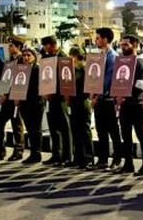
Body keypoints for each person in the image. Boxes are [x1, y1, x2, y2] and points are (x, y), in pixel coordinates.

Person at [115, 35, 143, 176]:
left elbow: (141, 85)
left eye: (126, 45)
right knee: (126, 135)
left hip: (137, 104)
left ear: (135, 45)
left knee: (140, 134)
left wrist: (125, 95)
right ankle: (128, 164)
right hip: (125, 105)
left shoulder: (140, 62)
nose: (123, 47)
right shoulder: (122, 62)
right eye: (121, 45)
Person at [0, 36, 26, 161]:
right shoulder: (9, 61)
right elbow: (6, 78)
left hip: (15, 96)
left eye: (12, 46)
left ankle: (18, 151)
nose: (9, 48)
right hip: (6, 98)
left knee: (16, 125)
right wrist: (1, 93)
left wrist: (11, 95)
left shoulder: (22, 60)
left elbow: (20, 79)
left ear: (18, 47)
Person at [92, 27, 122, 170]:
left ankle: (117, 159)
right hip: (99, 99)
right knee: (101, 131)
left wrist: (98, 94)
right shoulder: (99, 56)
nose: (95, 40)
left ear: (105, 39)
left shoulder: (113, 57)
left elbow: (108, 79)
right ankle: (102, 159)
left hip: (109, 99)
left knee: (113, 131)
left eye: (97, 38)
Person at [40, 36, 72, 167]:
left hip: (60, 98)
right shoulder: (47, 58)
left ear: (52, 45)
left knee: (64, 128)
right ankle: (56, 155)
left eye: (46, 46)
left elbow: (65, 78)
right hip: (50, 98)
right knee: (53, 127)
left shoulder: (63, 57)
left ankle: (67, 156)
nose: (44, 49)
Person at [67, 46, 94, 170]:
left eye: (71, 56)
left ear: (76, 57)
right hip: (74, 102)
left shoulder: (84, 69)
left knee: (84, 131)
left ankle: (88, 158)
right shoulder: (72, 70)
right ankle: (77, 158)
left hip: (83, 102)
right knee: (75, 131)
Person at [18, 48, 44, 164]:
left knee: (36, 129)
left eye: (29, 55)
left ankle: (36, 153)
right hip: (25, 104)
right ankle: (33, 152)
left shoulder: (37, 69)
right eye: (24, 55)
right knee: (29, 129)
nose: (26, 57)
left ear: (34, 56)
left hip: (35, 103)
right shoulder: (21, 70)